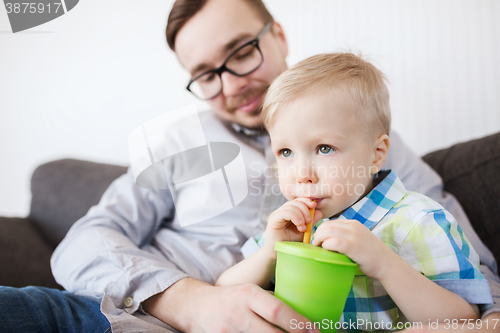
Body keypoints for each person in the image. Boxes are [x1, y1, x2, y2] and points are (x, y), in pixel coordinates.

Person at [0, 0, 499, 332]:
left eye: (240, 52)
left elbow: (470, 274)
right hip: (126, 312)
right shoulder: (182, 144)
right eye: (205, 75)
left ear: (277, 34)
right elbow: (84, 241)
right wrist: (189, 303)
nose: (231, 84)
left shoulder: (365, 138)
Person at [215, 52, 492, 329]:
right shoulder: (292, 228)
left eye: (324, 148)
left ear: (376, 154)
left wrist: (385, 264)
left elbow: (464, 320)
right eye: (286, 152)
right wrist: (270, 254)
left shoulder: (417, 222)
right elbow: (223, 292)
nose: (302, 174)